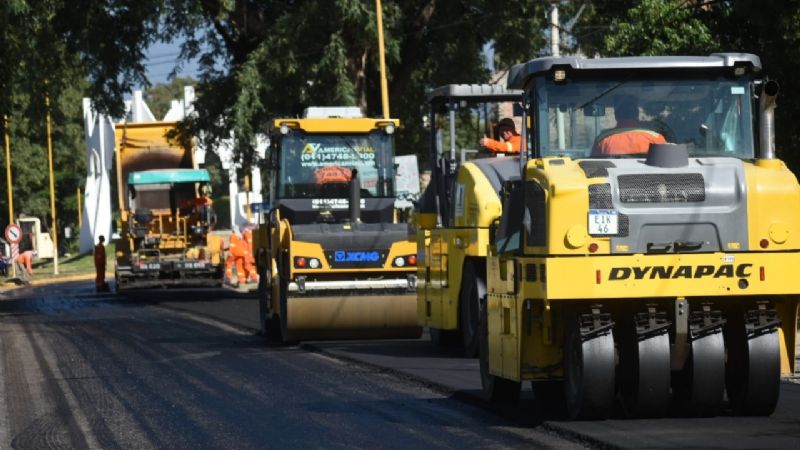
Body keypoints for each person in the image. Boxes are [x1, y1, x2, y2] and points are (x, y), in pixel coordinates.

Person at [591, 95, 666, 156]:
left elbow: (593, 165)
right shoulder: (656, 139)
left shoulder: (602, 140)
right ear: (637, 114)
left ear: (616, 115)